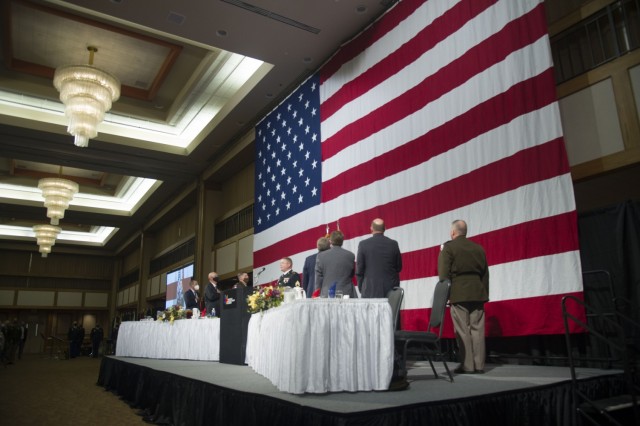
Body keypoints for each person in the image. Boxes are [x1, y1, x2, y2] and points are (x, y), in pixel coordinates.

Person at [438, 219, 489, 374]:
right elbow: (485, 274)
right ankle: (479, 365)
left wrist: (446, 295)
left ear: (453, 232)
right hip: (477, 291)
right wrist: (484, 293)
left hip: (458, 292)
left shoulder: (448, 247)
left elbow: (443, 274)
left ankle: (467, 365)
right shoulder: (478, 248)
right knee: (477, 329)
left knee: (462, 330)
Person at [356, 218, 402, 298]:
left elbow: (359, 270)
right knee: (390, 311)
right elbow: (398, 267)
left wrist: (362, 288)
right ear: (385, 228)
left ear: (371, 228)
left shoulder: (363, 244)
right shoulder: (393, 244)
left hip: (370, 290)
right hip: (390, 290)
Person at [315, 231, 356, 298]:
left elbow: (318, 278)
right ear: (342, 241)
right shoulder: (351, 255)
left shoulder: (321, 256)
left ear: (330, 241)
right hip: (346, 293)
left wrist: (317, 293)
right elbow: (351, 274)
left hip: (327, 294)